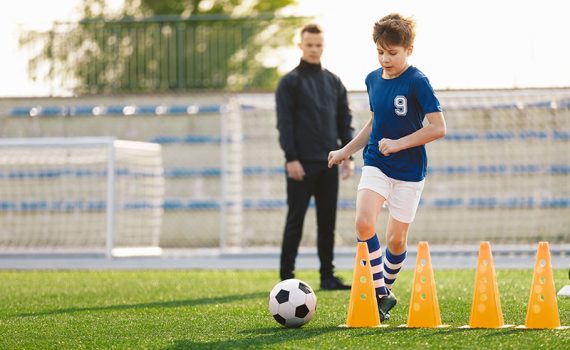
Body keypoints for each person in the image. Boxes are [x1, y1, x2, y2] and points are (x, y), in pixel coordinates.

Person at [328, 13, 447, 320]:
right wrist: (345, 150)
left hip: (409, 171)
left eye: (392, 53)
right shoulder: (372, 80)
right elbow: (373, 123)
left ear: (408, 50)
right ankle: (381, 293)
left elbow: (437, 128)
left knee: (396, 241)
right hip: (376, 164)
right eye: (380, 52)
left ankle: (383, 292)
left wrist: (398, 143)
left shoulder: (418, 82)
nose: (385, 58)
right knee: (364, 223)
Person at [276, 23, 355, 290]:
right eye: (309, 45)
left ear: (323, 46)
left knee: (327, 223)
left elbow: (345, 121)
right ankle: (286, 277)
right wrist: (291, 158)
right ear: (300, 46)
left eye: (318, 45)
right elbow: (284, 124)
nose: (313, 49)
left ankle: (327, 277)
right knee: (295, 221)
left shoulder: (333, 81)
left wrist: (348, 156)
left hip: (329, 163)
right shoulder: (289, 83)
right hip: (301, 164)